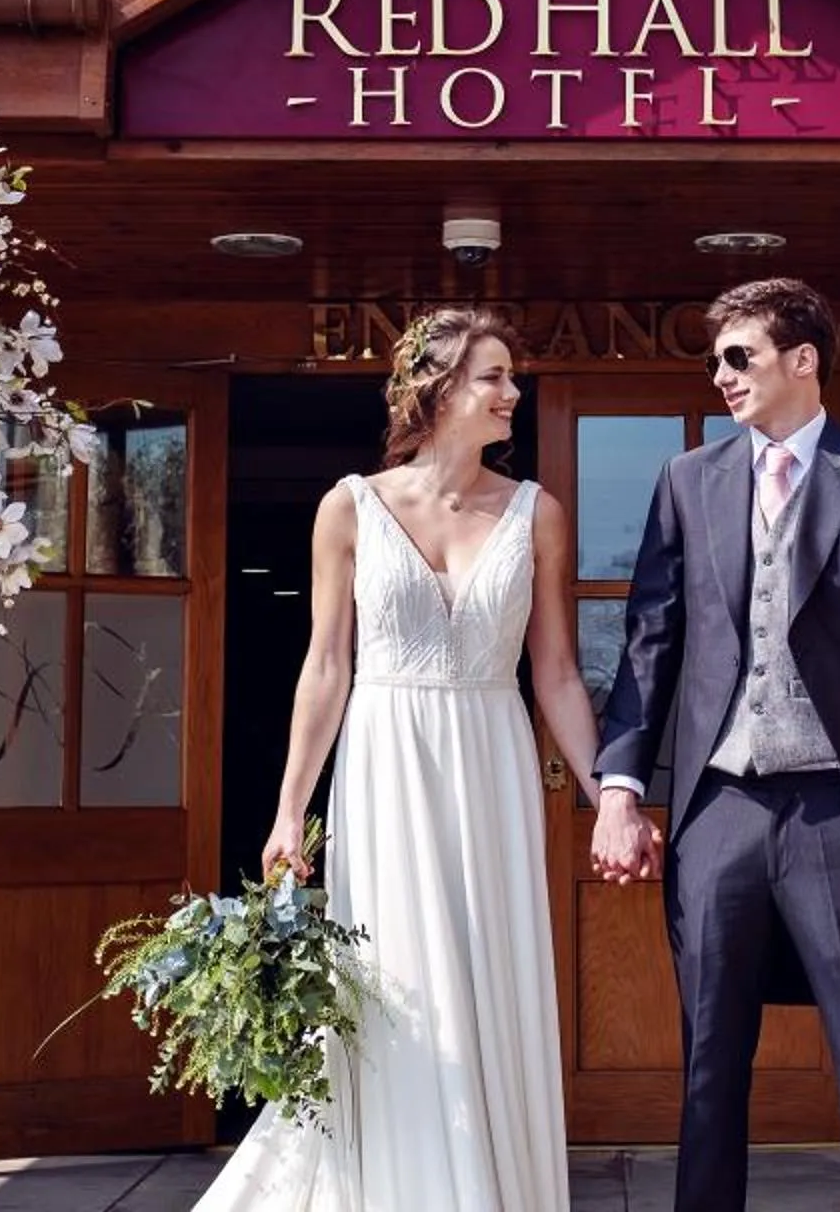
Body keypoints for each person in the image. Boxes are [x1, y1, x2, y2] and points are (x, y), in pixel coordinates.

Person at [194, 307, 602, 1212]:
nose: (511, 393)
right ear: (440, 388)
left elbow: (560, 673)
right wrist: (287, 812)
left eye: (510, 376)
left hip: (492, 763)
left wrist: (605, 792)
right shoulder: (350, 506)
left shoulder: (538, 513)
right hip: (386, 768)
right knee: (396, 982)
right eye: (492, 377)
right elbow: (326, 667)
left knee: (489, 980)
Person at [591, 278, 840, 1212]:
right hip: (718, 811)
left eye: (738, 356)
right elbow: (650, 640)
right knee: (710, 1062)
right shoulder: (688, 480)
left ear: (803, 361)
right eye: (714, 359)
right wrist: (621, 787)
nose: (720, 376)